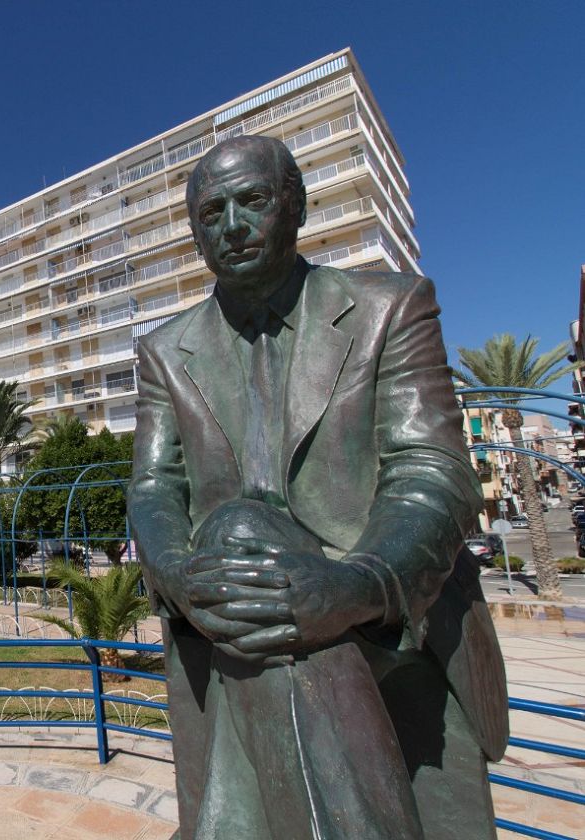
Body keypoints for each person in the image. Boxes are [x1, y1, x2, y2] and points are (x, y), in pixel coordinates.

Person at [127, 135, 507, 839]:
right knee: (244, 549)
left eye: (253, 201)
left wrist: (359, 584)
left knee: (247, 556)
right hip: (234, 607)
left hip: (388, 607)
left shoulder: (388, 308)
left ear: (294, 207)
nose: (232, 225)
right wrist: (176, 573)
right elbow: (153, 489)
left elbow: (434, 468)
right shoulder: (163, 351)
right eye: (211, 212)